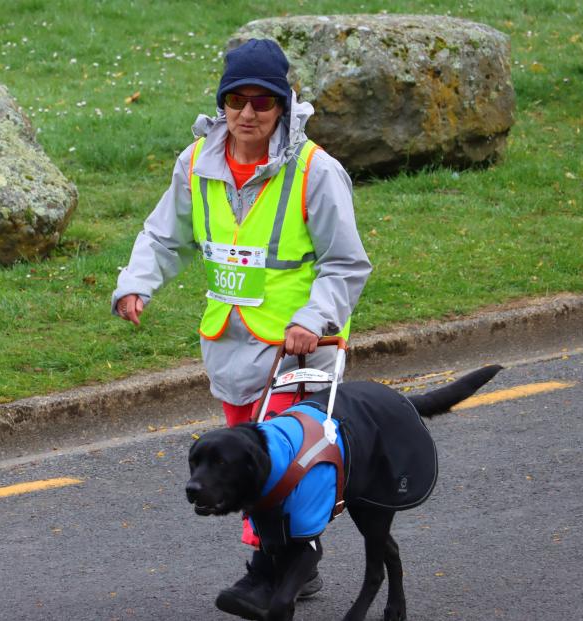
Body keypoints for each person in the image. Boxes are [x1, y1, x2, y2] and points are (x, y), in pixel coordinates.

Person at [111, 38, 371, 617]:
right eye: (236, 100)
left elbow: (346, 263)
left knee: (280, 465)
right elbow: (164, 235)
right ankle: (288, 567)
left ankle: (271, 573)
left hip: (299, 349)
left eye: (262, 102)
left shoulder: (316, 171)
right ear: (222, 102)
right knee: (244, 461)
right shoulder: (197, 161)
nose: (247, 114)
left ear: (284, 106)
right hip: (229, 345)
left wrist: (312, 319)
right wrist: (136, 282)